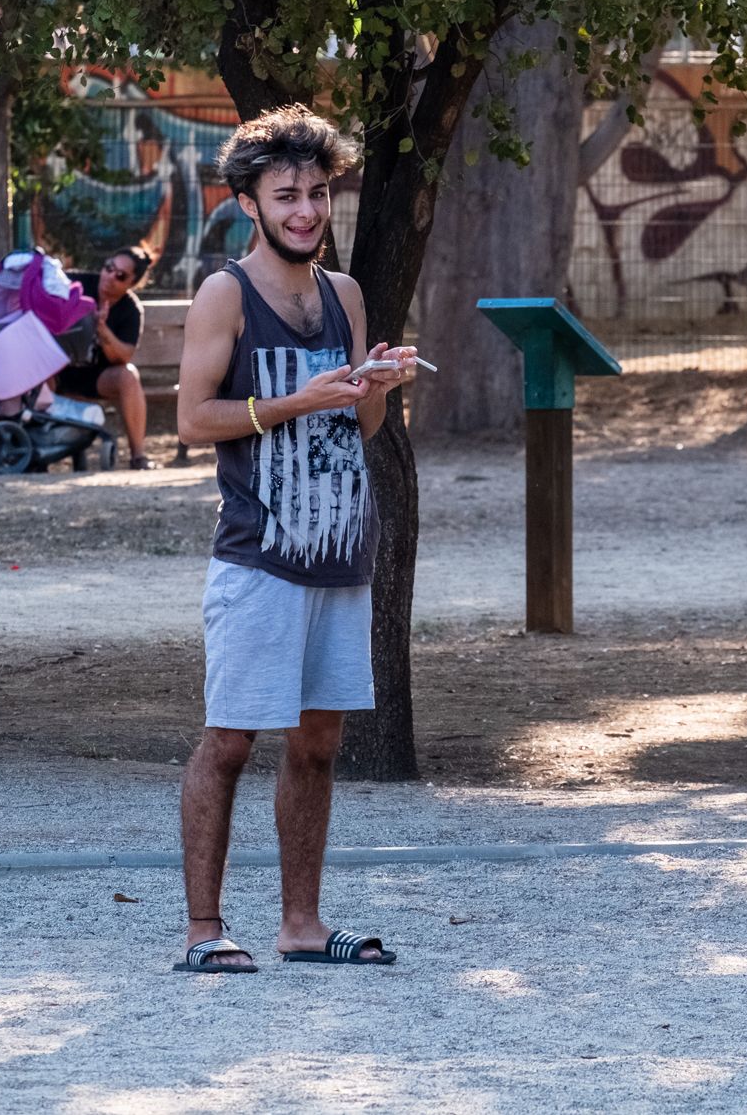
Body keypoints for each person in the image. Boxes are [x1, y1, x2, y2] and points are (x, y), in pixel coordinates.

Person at [171, 105, 417, 974]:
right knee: (230, 740)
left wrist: (372, 383)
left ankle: (301, 925)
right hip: (258, 558)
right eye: (287, 196)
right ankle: (204, 931)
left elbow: (366, 423)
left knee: (317, 745)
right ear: (250, 203)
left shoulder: (343, 294)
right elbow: (192, 418)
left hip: (341, 558)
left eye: (317, 192)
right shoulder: (223, 294)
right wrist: (290, 403)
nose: (306, 210)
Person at [60, 246, 157, 469]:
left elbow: (122, 356)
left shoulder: (130, 310)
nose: (111, 276)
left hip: (95, 378)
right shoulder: (76, 283)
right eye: (109, 268)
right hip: (56, 370)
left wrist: (102, 329)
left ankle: (138, 456)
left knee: (128, 376)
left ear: (131, 283)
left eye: (120, 275)